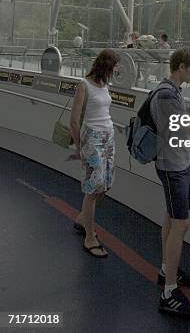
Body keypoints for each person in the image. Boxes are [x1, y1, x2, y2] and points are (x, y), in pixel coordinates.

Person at [150, 47, 190, 316]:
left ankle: (167, 271)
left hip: (180, 163)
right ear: (181, 67)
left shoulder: (171, 91)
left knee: (171, 217)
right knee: (181, 223)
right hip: (173, 166)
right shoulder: (167, 96)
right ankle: (169, 293)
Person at [70, 49, 120, 258]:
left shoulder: (105, 84)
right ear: (106, 66)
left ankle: (83, 219)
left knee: (105, 185)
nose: (117, 71)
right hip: (92, 139)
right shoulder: (84, 85)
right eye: (115, 67)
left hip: (108, 137)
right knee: (93, 188)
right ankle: (90, 237)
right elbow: (74, 120)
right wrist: (79, 146)